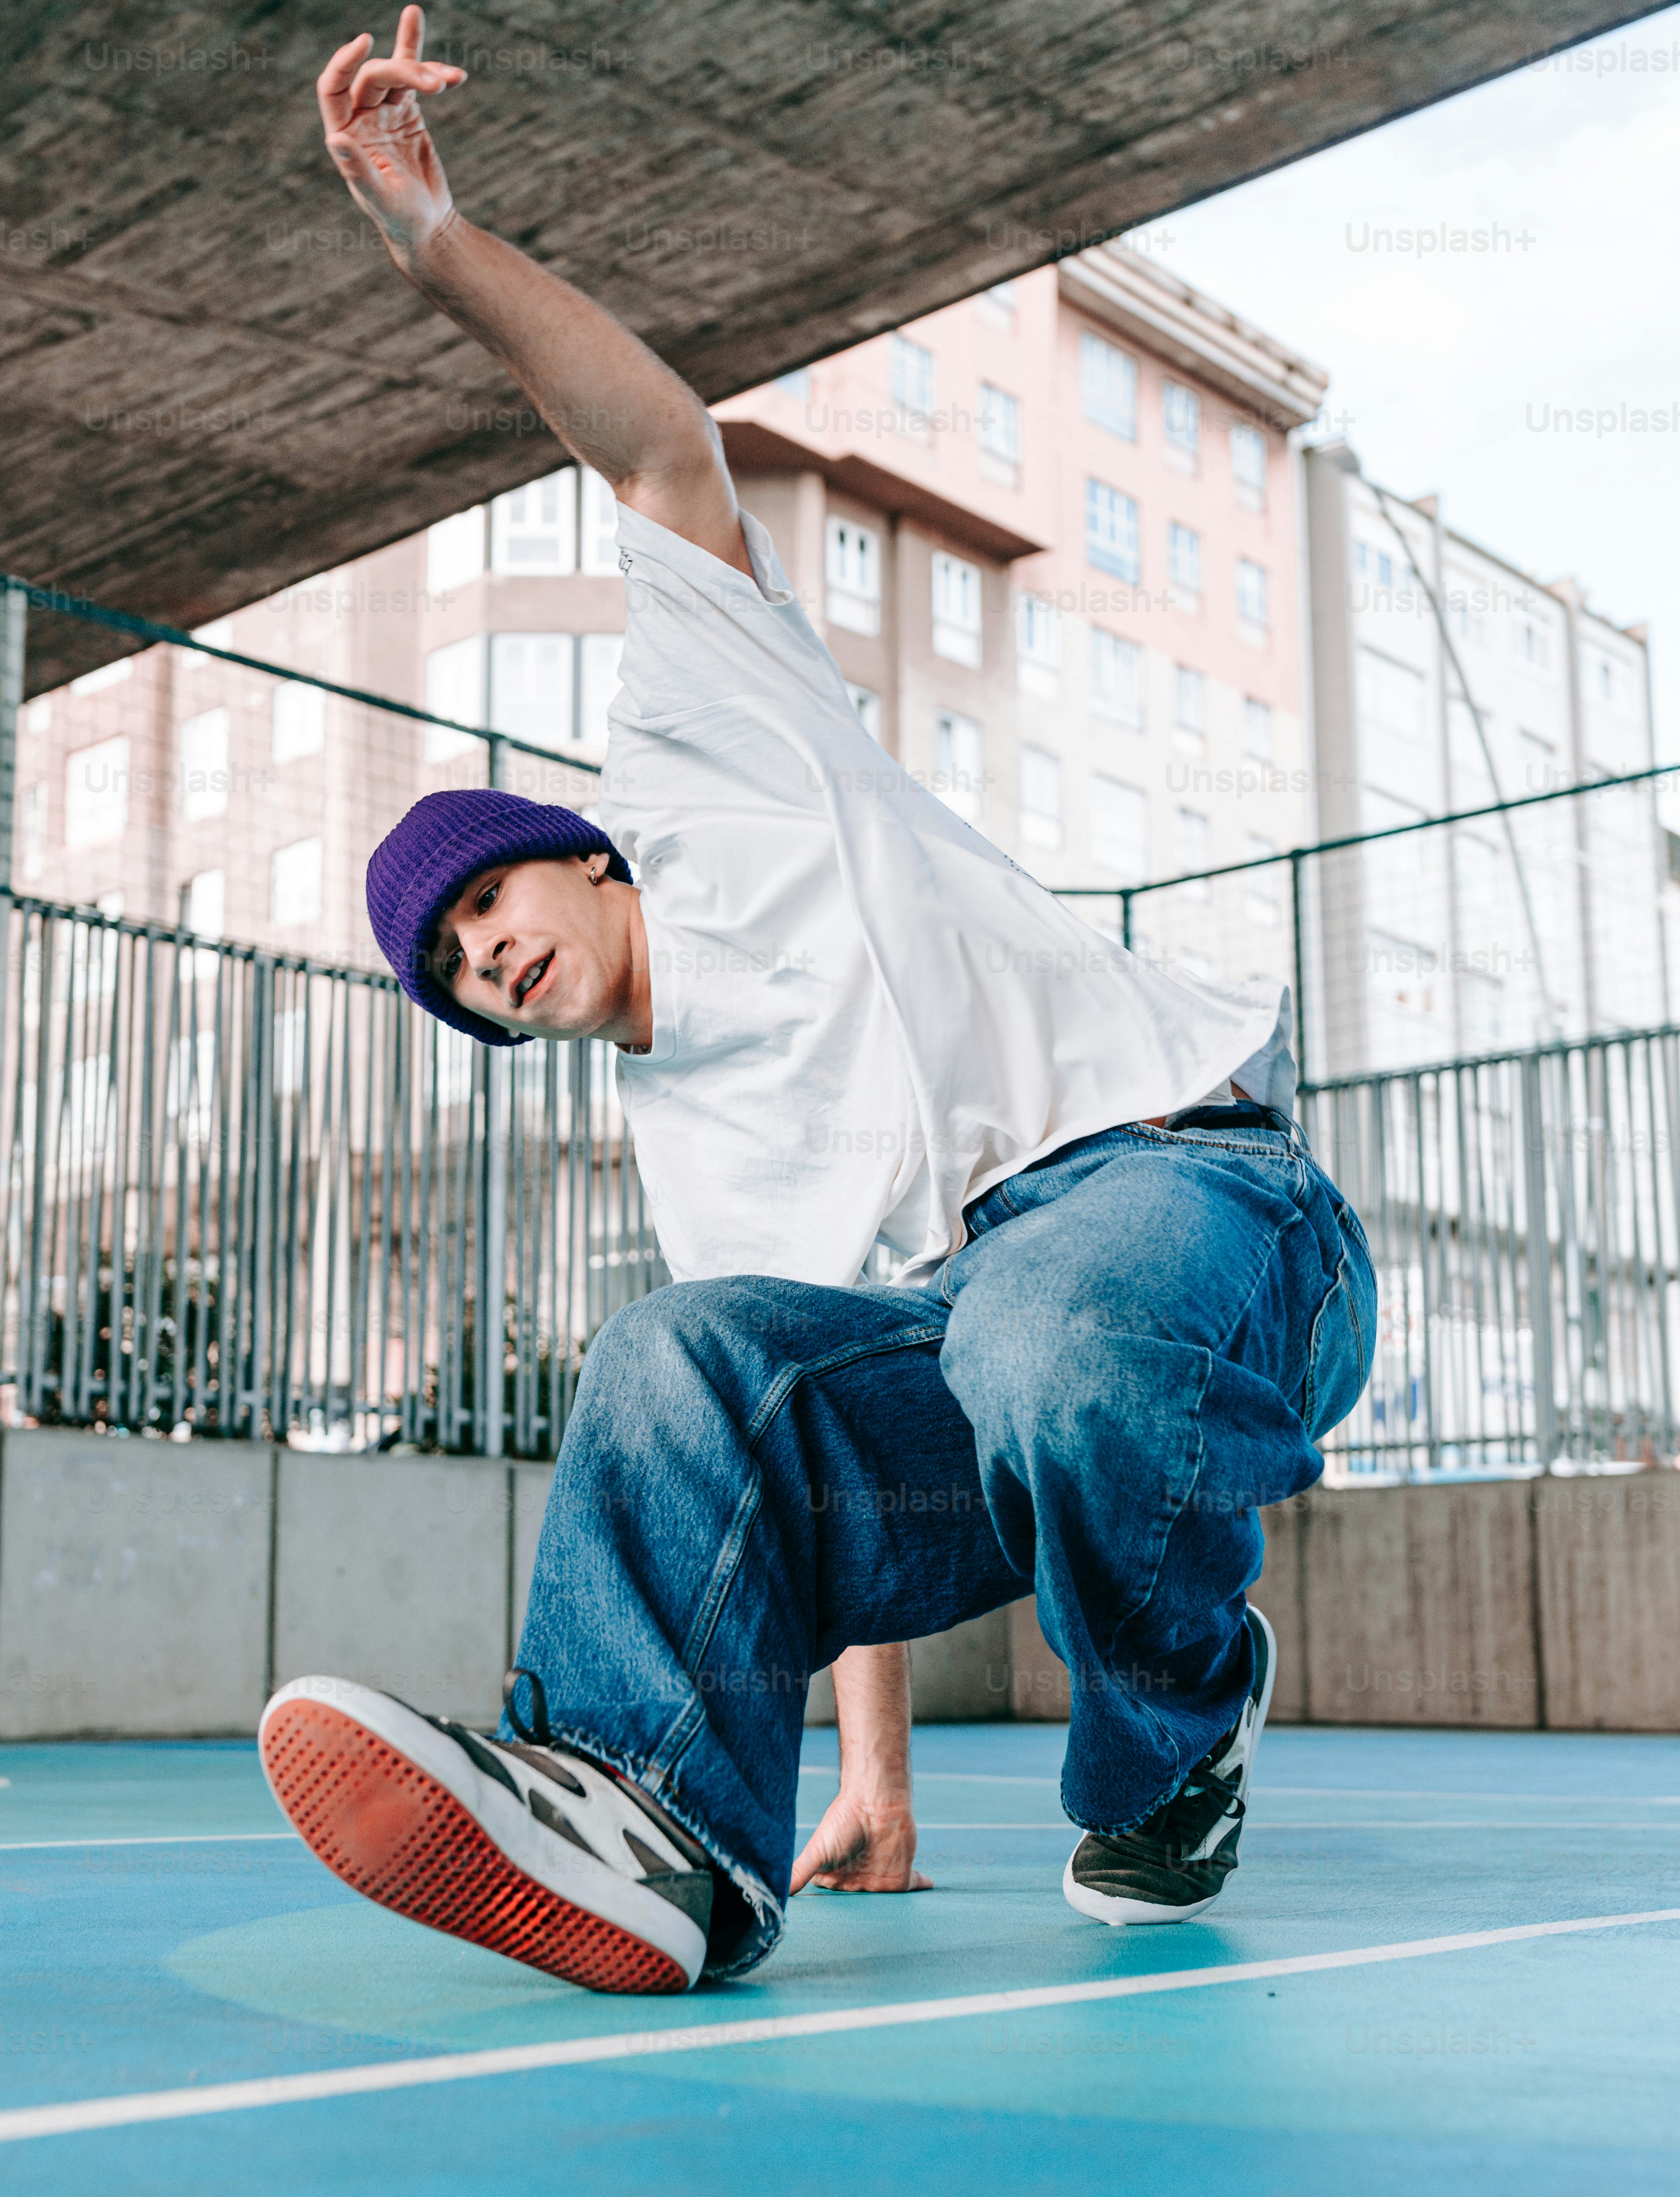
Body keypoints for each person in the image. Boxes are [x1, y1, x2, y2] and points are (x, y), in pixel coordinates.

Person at [259, 8, 1377, 1996]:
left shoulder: (714, 746)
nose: (485, 955)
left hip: (1208, 1214)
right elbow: (798, 1439)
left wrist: (433, 241)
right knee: (676, 1360)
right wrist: (879, 1782)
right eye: (455, 974)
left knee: (1044, 1327)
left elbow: (651, 440)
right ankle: (657, 1828)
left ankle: (1173, 1744)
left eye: (487, 903)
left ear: (582, 855)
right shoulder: (694, 1149)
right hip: (989, 1359)